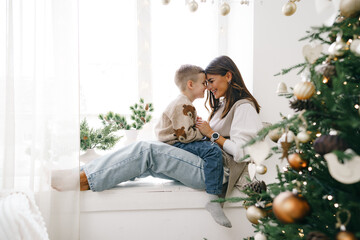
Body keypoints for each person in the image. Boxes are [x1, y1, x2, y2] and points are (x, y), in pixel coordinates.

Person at [78, 55, 262, 228]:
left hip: (216, 169)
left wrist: (213, 134)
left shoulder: (244, 107)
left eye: (211, 81)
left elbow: (245, 153)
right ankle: (85, 174)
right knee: (146, 152)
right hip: (206, 161)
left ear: (228, 76)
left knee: (146, 151)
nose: (208, 87)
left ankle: (84, 178)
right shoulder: (222, 105)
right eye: (206, 83)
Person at [154, 64, 229, 227]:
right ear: (190, 84)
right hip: (175, 143)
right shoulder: (183, 104)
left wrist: (198, 127)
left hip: (177, 141)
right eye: (203, 83)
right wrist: (203, 132)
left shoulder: (184, 104)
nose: (207, 87)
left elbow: (185, 128)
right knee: (213, 151)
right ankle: (213, 200)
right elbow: (185, 136)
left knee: (211, 148)